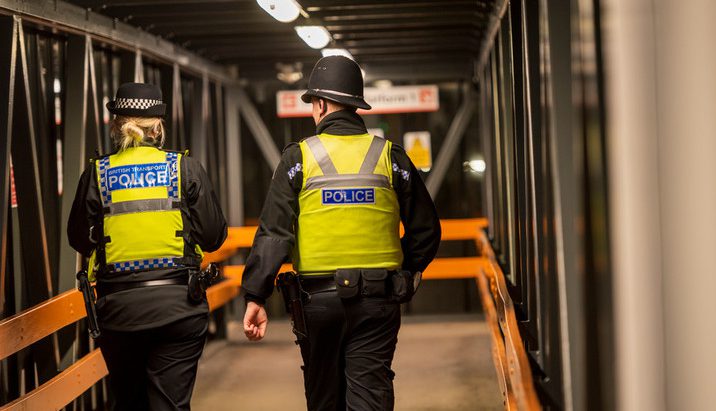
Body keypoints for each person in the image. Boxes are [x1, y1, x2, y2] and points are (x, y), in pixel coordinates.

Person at [241, 56, 441, 411]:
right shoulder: (390, 157)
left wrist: (256, 295)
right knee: (370, 394)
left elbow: (274, 233)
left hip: (317, 303)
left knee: (324, 397)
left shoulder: (297, 159)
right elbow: (426, 229)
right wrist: (405, 271)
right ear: (355, 105)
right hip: (378, 299)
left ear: (320, 105)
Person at [67, 82, 227, 411]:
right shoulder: (184, 169)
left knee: (129, 402)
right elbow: (213, 236)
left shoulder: (98, 174)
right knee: (170, 404)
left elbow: (79, 239)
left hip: (119, 310)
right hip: (179, 306)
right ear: (158, 126)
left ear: (116, 124)